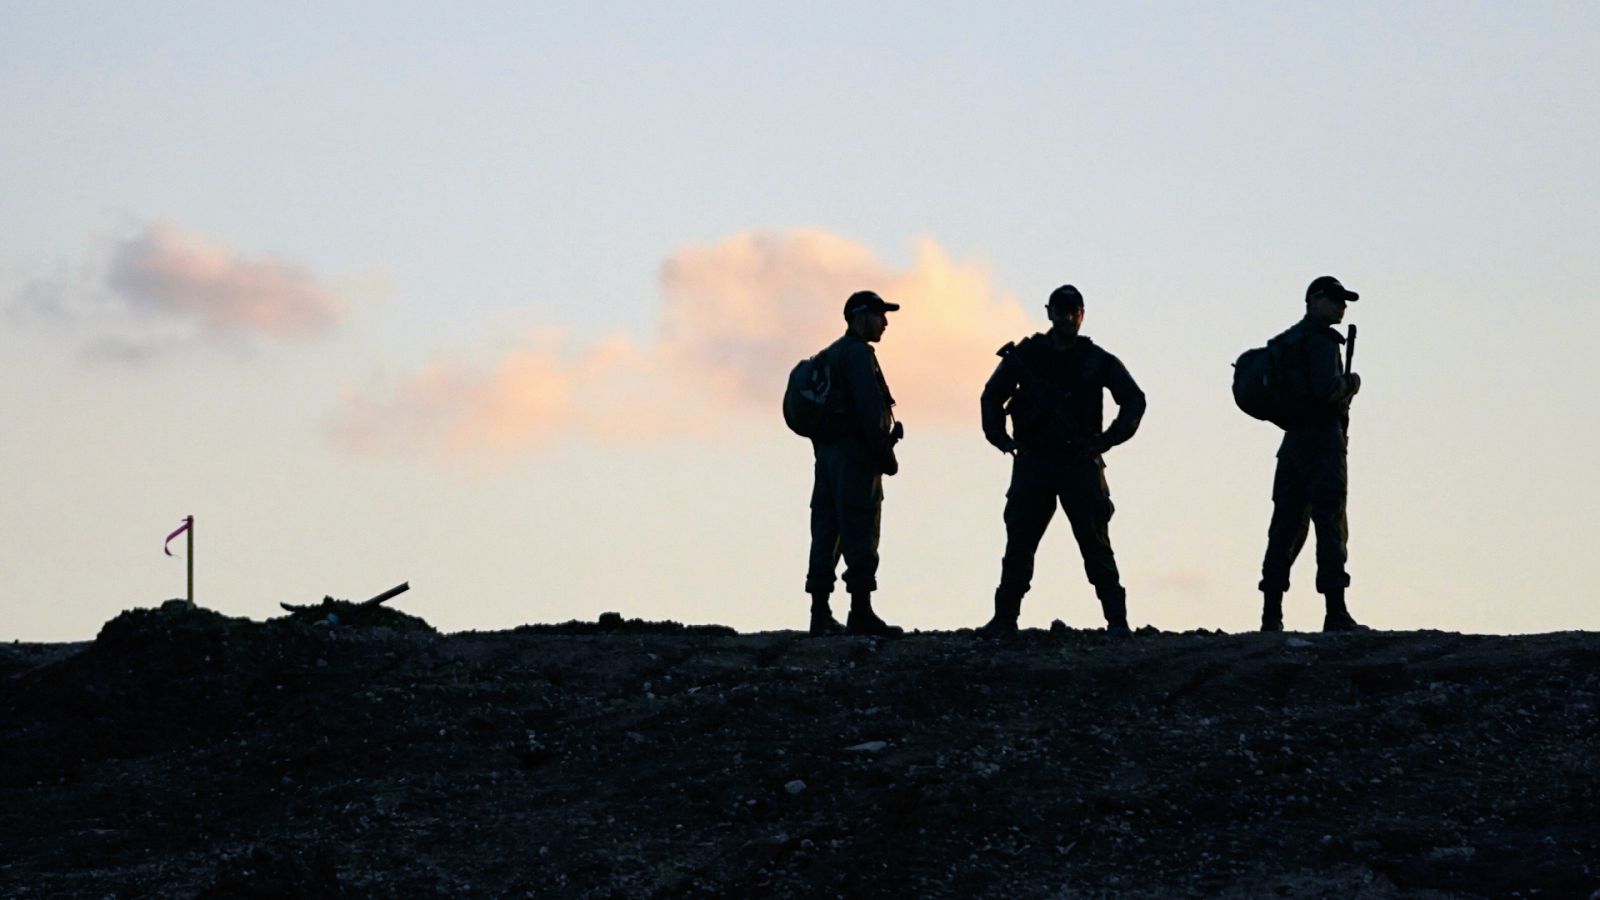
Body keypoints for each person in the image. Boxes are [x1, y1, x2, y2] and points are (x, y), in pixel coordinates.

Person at [978, 284, 1146, 637]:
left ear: (1082, 314)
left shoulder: (1096, 359)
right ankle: (1004, 618)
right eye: (1061, 310)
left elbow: (1133, 400)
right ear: (1050, 312)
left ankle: (1117, 620)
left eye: (1074, 311)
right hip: (1035, 461)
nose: (1067, 317)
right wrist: (999, 438)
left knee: (1095, 542)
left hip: (1078, 462)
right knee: (1020, 541)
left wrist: (1107, 440)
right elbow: (992, 395)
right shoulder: (1028, 355)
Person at [1258, 275, 1365, 632]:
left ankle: (1271, 613)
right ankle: (1336, 611)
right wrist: (1353, 383)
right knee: (1330, 524)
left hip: (1292, 445)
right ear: (1314, 300)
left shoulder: (1287, 341)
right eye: (1335, 299)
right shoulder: (1320, 342)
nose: (1341, 306)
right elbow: (1326, 390)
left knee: (1284, 528)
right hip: (1322, 443)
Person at [803, 290, 905, 637]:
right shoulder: (858, 355)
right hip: (856, 459)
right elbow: (869, 411)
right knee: (860, 529)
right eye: (879, 315)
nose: (885, 322)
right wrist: (885, 456)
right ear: (860, 317)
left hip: (827, 458)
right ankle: (860, 611)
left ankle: (819, 613)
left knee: (826, 531)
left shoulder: (829, 355)